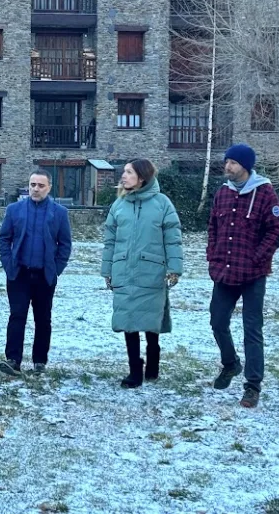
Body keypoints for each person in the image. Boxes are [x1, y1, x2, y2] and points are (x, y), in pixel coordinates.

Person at [207, 143, 279, 408]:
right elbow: (213, 228)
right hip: (224, 271)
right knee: (217, 322)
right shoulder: (222, 193)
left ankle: (252, 385)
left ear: (245, 166)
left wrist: (257, 257)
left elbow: (277, 232)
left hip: (253, 274)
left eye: (232, 162)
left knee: (252, 330)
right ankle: (230, 364)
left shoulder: (264, 193)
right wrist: (213, 257)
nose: (227, 166)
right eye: (226, 161)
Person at [100, 159, 183, 388]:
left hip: (152, 272)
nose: (123, 176)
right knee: (128, 320)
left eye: (128, 172)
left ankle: (153, 365)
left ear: (142, 177)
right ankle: (135, 370)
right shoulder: (118, 205)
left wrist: (175, 269)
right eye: (124, 172)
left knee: (149, 320)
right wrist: (107, 271)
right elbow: (110, 241)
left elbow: (173, 238)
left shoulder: (162, 204)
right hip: (123, 271)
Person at [0, 169, 72, 376]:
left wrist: (56, 269)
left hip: (44, 275)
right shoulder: (14, 210)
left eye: (40, 185)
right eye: (32, 185)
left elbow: (65, 244)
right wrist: (8, 263)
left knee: (43, 319)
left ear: (49, 187)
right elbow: (4, 238)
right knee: (17, 316)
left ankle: (39, 362)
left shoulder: (59, 213)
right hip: (19, 274)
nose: (35, 189)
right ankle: (13, 360)